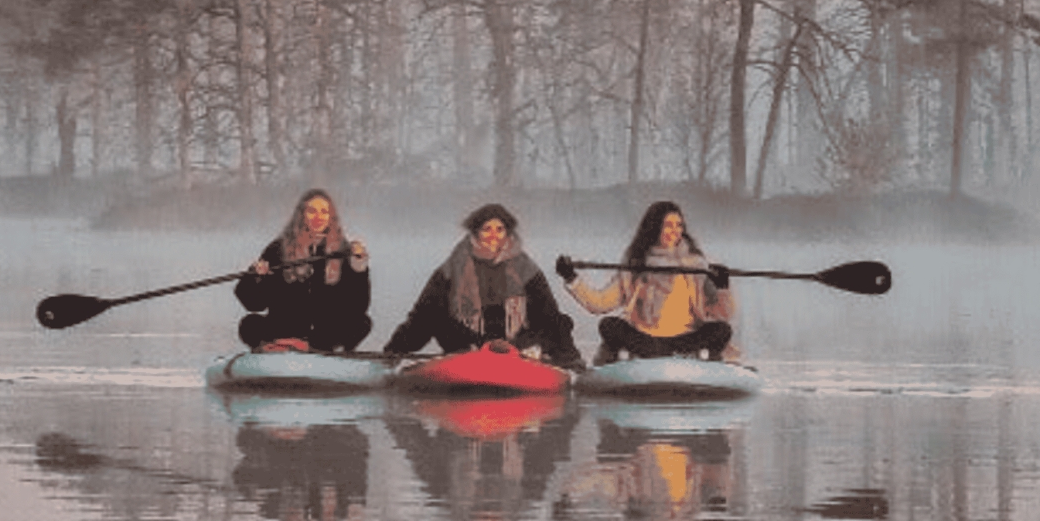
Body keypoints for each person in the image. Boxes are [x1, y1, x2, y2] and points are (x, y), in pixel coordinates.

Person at [382, 203, 584, 370]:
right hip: (469, 341)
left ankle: (568, 363)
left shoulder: (526, 269)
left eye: (500, 230)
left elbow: (548, 313)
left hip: (513, 342)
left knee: (560, 322)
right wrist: (395, 349)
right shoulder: (453, 267)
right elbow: (422, 316)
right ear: (476, 233)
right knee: (435, 316)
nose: (493, 236)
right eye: (487, 229)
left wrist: (568, 356)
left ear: (508, 234)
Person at [555, 200, 736, 366]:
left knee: (722, 330)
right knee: (608, 325)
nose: (675, 231)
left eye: (679, 225)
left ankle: (673, 355)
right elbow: (600, 304)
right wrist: (571, 278)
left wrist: (722, 287)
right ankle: (666, 356)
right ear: (654, 228)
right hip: (647, 340)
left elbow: (722, 314)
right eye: (668, 226)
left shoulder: (696, 266)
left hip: (686, 339)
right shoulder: (636, 264)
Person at [234, 189, 371, 353]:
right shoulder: (278, 249)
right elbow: (254, 304)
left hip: (323, 335)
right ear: (301, 215)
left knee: (362, 323)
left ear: (331, 217)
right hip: (282, 329)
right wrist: (255, 277)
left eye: (324, 212)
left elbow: (358, 306)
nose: (318, 217)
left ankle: (313, 347)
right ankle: (280, 345)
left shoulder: (344, 251)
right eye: (312, 211)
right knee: (249, 324)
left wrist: (359, 268)